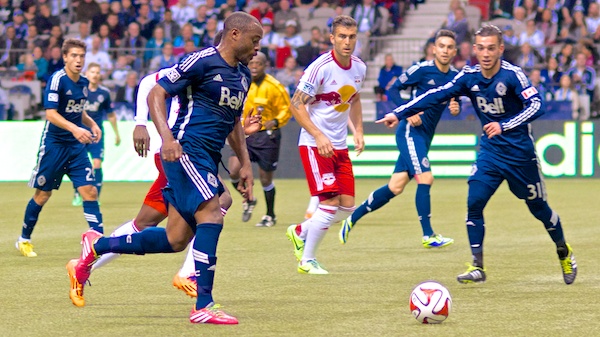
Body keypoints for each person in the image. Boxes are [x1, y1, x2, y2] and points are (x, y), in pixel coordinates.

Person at [70, 12, 263, 324]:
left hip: (207, 157)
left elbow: (234, 122)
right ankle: (204, 304)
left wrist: (245, 164)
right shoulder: (200, 61)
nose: (257, 48)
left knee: (175, 239)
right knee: (213, 212)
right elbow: (155, 91)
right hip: (185, 150)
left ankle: (97, 247)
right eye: (255, 41)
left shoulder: (242, 75)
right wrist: (166, 137)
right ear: (235, 35)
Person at [377, 25, 577, 285]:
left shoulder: (513, 75)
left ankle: (563, 250)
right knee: (474, 202)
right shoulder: (468, 76)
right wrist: (399, 113)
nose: (486, 53)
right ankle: (477, 266)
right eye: (481, 48)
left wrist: (505, 125)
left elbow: (537, 104)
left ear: (500, 49)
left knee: (539, 209)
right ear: (474, 49)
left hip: (520, 156)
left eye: (491, 48)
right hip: (491, 153)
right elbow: (435, 94)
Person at [340, 29, 459, 249]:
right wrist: (407, 112)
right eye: (441, 46)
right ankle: (428, 235)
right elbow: (393, 89)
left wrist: (455, 105)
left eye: (449, 47)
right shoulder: (421, 70)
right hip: (410, 132)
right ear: (434, 49)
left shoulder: (455, 77)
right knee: (426, 178)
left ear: (455, 51)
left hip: (425, 136)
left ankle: (351, 218)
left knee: (395, 187)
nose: (445, 50)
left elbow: (453, 101)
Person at [285, 15, 366, 275]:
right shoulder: (320, 67)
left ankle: (299, 232)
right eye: (342, 36)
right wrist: (318, 135)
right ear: (332, 38)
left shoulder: (360, 68)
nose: (347, 41)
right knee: (329, 203)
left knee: (347, 208)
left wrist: (359, 131)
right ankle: (307, 260)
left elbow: (353, 99)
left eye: (352, 37)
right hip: (314, 144)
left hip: (339, 146)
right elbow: (295, 104)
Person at [16, 39, 104, 257]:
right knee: (43, 195)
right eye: (74, 55)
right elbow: (51, 114)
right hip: (54, 145)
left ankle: (100, 242)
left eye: (82, 56)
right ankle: (23, 239)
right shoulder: (57, 80)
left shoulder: (83, 83)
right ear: (65, 57)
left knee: (90, 191)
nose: (78, 60)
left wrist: (91, 123)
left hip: (75, 147)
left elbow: (78, 110)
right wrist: (75, 129)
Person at [228, 51, 291, 227]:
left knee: (265, 179)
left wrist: (276, 121)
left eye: (259, 64)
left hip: (266, 137)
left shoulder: (275, 86)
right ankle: (249, 198)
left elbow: (287, 109)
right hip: (245, 132)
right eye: (252, 63)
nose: (254, 67)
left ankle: (270, 215)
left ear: (265, 66)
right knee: (233, 171)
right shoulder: (240, 81)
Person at [72, 63, 121, 206]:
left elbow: (111, 115)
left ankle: (95, 197)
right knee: (78, 165)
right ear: (86, 73)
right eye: (92, 72)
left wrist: (116, 133)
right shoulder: (79, 91)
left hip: (96, 134)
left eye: (98, 72)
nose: (95, 74)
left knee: (97, 163)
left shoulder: (104, 93)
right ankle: (77, 193)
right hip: (79, 134)